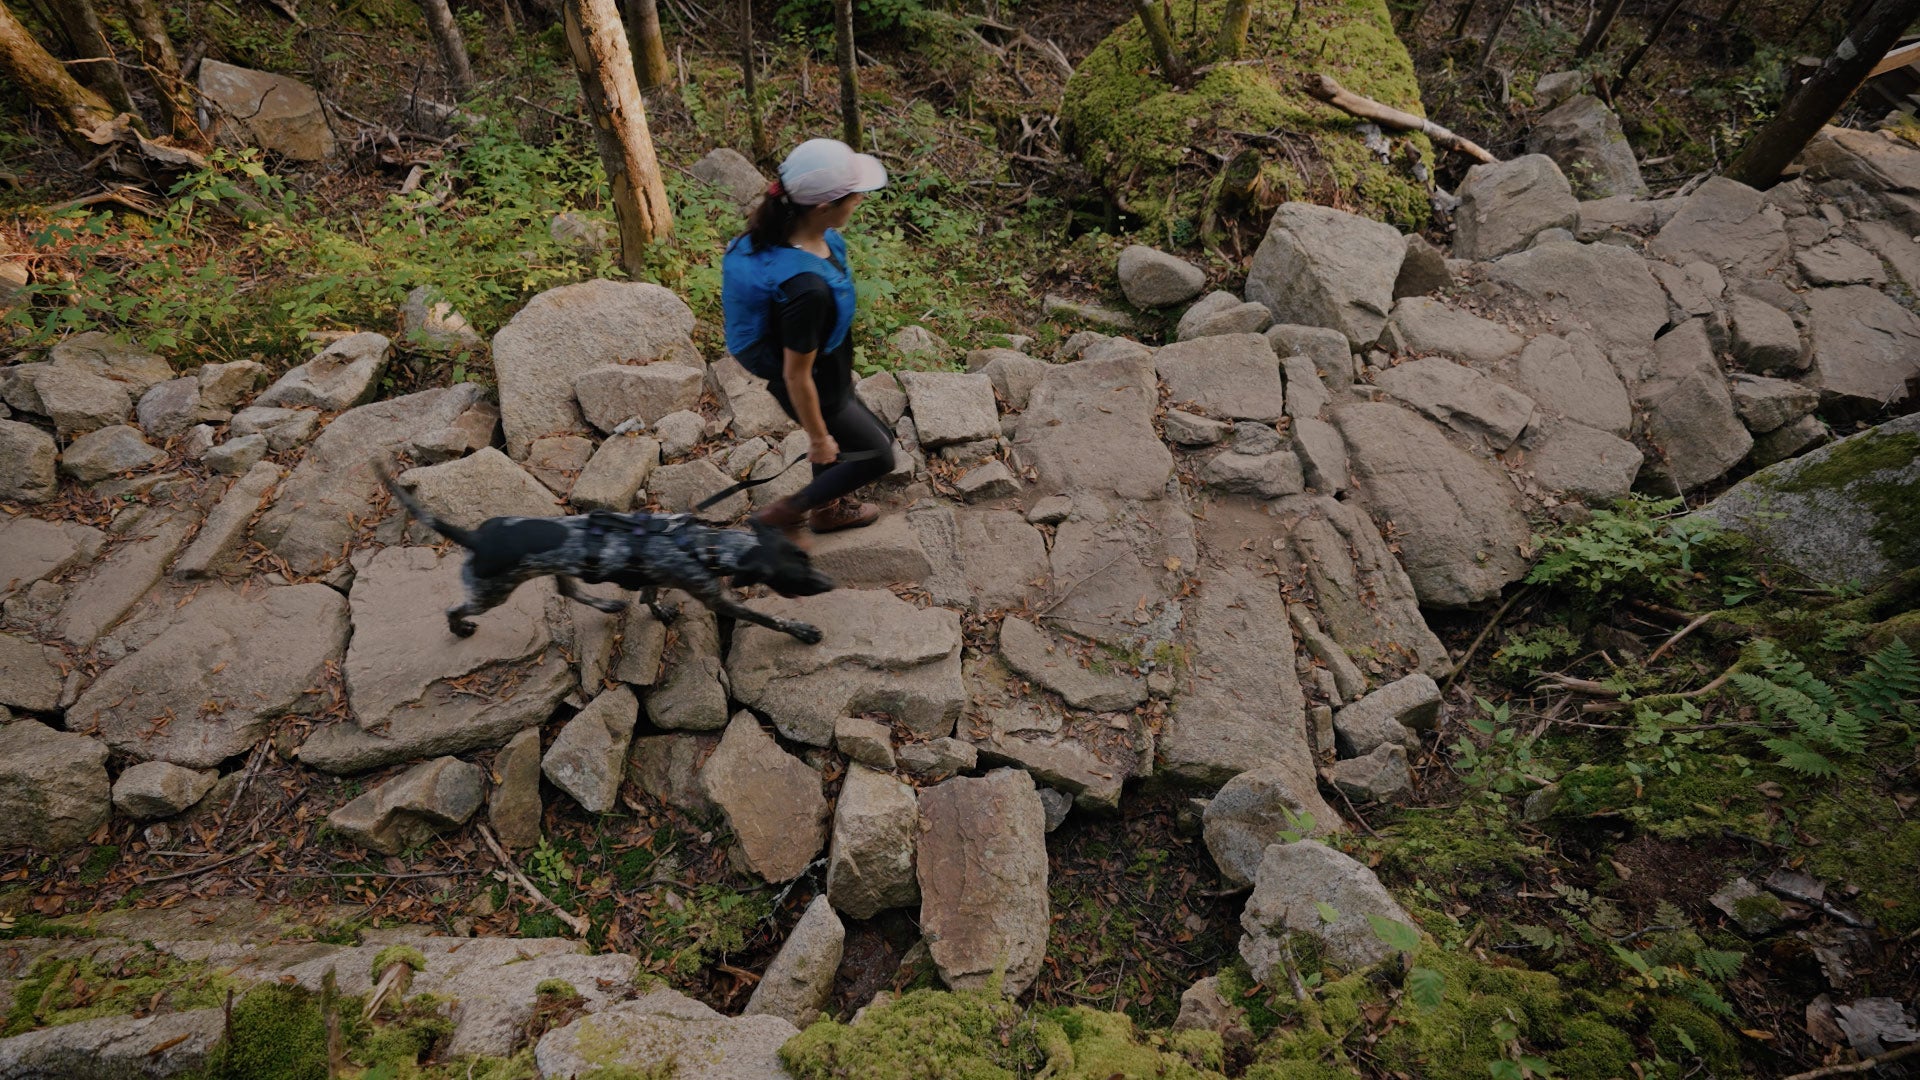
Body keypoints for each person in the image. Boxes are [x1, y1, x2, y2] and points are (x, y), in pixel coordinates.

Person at [721, 138, 897, 539]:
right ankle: (788, 511)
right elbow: (796, 376)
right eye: (854, 197)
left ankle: (828, 508)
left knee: (854, 436)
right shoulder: (807, 289)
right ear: (824, 207)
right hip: (813, 379)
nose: (859, 203)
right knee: (880, 453)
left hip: (828, 365)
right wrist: (817, 439)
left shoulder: (798, 235)